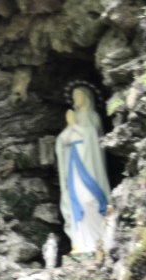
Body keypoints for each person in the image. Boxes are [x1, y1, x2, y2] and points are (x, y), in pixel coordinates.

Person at [54, 86, 113, 258]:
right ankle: (80, 243)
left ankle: (98, 240)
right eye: (74, 97)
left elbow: (91, 136)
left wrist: (74, 126)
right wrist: (70, 127)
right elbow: (63, 140)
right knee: (77, 201)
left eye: (78, 96)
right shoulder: (75, 117)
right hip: (74, 163)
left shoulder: (93, 117)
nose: (75, 100)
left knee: (90, 199)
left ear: (86, 98)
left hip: (90, 165)